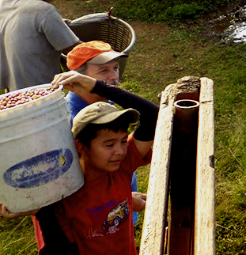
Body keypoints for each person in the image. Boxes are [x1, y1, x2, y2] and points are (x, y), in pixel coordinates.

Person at [0, 70, 158, 254]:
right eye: (109, 144)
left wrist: (96, 86)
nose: (120, 151)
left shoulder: (122, 167)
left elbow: (152, 115)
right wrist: (39, 212)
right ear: (81, 146)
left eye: (124, 141)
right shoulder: (61, 191)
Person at [0, 0, 80, 94]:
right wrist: (106, 53)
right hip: (39, 94)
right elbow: (75, 50)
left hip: (11, 90)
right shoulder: (45, 11)